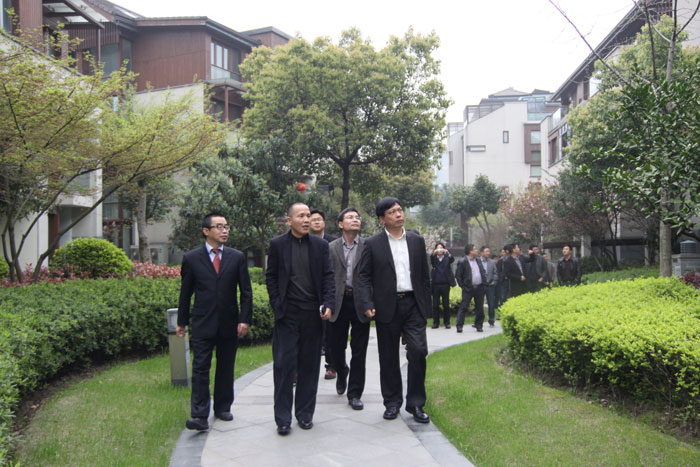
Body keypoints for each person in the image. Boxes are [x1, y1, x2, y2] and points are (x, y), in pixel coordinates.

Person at [356, 197, 432, 424]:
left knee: (418, 351)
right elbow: (363, 276)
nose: (399, 214)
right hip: (387, 306)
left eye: (400, 210)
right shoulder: (373, 244)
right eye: (392, 212)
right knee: (388, 356)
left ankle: (416, 404)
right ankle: (392, 402)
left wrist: (426, 305)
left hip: (413, 304)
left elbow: (424, 275)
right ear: (382, 219)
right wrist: (367, 303)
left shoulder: (417, 241)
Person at [177, 213, 253, 432]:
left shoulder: (236, 257)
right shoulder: (191, 258)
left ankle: (223, 407)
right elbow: (185, 293)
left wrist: (244, 319)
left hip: (229, 322)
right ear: (206, 231)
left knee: (225, 366)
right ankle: (200, 415)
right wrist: (182, 322)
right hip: (202, 322)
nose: (224, 231)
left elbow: (246, 292)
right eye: (219, 227)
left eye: (226, 227)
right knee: (200, 368)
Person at [266, 202, 335, 435]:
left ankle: (305, 415)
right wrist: (277, 306)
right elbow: (271, 277)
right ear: (289, 221)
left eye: (308, 215)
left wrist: (328, 303)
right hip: (287, 315)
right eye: (301, 216)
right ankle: (282, 419)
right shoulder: (277, 244)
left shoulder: (320, 245)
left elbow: (328, 276)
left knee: (310, 366)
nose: (306, 220)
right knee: (283, 366)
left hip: (313, 315)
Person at [328, 207, 370, 411]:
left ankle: (354, 394)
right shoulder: (331, 247)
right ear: (340, 224)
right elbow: (326, 277)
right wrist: (326, 302)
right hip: (338, 302)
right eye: (350, 217)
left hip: (360, 302)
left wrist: (371, 302)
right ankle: (341, 369)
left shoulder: (368, 246)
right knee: (335, 348)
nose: (355, 220)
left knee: (359, 351)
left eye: (357, 217)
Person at [309, 208, 337, 380]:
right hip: (310, 292)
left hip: (329, 290)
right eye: (313, 220)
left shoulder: (333, 242)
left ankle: (332, 365)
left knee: (330, 331)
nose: (316, 222)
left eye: (319, 219)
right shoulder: (304, 242)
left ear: (324, 222)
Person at [455, 244, 486, 332]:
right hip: (468, 288)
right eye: (474, 249)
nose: (476, 250)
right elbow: (458, 275)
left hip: (479, 287)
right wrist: (463, 286)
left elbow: (482, 271)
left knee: (480, 307)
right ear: (470, 251)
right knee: (464, 307)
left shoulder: (478, 260)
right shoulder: (463, 261)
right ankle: (459, 325)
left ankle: (479, 325)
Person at [430, 242, 455, 329]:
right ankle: (436, 322)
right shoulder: (434, 258)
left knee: (446, 304)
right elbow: (431, 259)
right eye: (438, 248)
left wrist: (447, 252)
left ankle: (447, 322)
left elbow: (452, 259)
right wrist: (433, 253)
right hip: (436, 285)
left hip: (445, 284)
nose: (439, 250)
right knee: (435, 305)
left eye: (441, 248)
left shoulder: (447, 258)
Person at [478, 246, 498, 327]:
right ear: (482, 252)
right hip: (480, 285)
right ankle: (478, 320)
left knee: (491, 304)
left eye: (489, 251)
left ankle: (491, 320)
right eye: (486, 251)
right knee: (479, 304)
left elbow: (495, 273)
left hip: (490, 285)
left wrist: (494, 282)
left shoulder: (491, 262)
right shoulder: (477, 261)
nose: (488, 253)